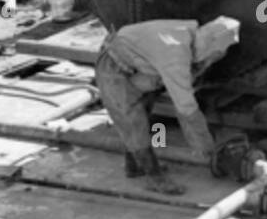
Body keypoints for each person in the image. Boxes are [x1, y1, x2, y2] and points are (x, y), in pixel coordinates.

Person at [96, 17, 240, 195]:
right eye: (213, 56)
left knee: (141, 112)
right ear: (209, 45)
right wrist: (207, 148)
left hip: (134, 64)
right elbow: (186, 108)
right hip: (114, 66)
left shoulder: (188, 33)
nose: (210, 61)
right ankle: (155, 178)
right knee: (133, 120)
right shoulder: (175, 56)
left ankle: (134, 165)